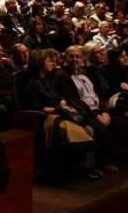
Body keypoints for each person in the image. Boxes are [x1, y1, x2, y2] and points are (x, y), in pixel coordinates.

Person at [23, 49, 101, 180]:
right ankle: (81, 169)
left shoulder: (49, 80)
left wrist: (62, 102)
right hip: (47, 117)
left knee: (89, 128)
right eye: (50, 61)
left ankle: (86, 168)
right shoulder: (31, 84)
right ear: (40, 63)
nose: (53, 64)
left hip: (61, 112)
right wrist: (57, 108)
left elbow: (58, 97)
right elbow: (36, 107)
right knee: (76, 129)